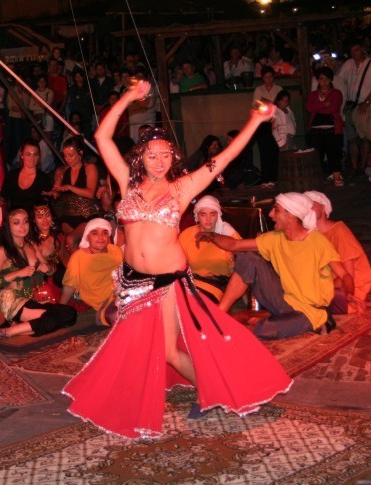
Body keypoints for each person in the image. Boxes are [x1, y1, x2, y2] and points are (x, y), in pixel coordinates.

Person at [63, 80, 292, 439]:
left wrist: (255, 121)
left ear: (173, 157)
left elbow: (227, 156)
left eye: (165, 155)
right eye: (152, 155)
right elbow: (102, 136)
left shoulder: (182, 187)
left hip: (167, 281)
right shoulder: (127, 183)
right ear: (141, 157)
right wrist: (127, 97)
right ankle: (154, 394)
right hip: (133, 280)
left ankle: (214, 390)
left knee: (168, 350)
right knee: (136, 347)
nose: (159, 161)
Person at [206, 193, 356, 340]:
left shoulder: (317, 242)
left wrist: (349, 293)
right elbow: (235, 245)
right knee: (248, 258)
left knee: (265, 329)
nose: (271, 214)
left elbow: (344, 275)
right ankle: (219, 315)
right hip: (284, 300)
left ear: (290, 214)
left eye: (276, 210)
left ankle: (317, 321)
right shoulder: (275, 238)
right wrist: (211, 235)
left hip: (310, 311)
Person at [0, 208, 77, 341]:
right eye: (16, 222)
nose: (22, 226)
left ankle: (10, 330)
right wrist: (17, 273)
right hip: (9, 299)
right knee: (54, 317)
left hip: (29, 299)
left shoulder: (31, 244)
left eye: (25, 221)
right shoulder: (3, 251)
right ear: (8, 226)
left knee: (70, 314)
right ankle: (7, 331)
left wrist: (47, 268)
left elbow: (49, 269)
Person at [304, 191, 371, 314]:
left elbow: (348, 275)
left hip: (348, 286)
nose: (308, 208)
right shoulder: (310, 234)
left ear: (324, 207)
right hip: (327, 283)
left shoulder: (339, 231)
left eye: (312, 204)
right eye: (305, 205)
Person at [178, 196, 241, 303]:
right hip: (191, 282)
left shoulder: (227, 234)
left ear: (218, 215)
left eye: (212, 214)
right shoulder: (186, 235)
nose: (208, 219)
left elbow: (244, 258)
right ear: (197, 215)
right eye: (203, 214)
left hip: (218, 285)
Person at [60, 218, 123, 324]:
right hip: (102, 302)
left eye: (105, 232)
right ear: (87, 237)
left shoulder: (116, 250)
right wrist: (60, 307)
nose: (101, 237)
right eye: (95, 233)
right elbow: (69, 285)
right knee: (123, 316)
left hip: (122, 294)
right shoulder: (78, 257)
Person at [336, 43, 371, 176]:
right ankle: (355, 167)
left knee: (365, 138)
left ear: (362, 50)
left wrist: (366, 102)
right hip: (351, 105)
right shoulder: (349, 64)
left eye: (356, 50)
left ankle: (362, 166)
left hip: (366, 105)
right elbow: (338, 79)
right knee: (352, 138)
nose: (354, 53)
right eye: (351, 50)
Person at [47, 136, 99, 249]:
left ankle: (80, 266)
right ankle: (75, 266)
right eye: (65, 156)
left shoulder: (89, 168)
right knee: (62, 245)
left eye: (71, 155)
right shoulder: (64, 171)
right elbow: (58, 192)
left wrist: (69, 187)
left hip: (87, 215)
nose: (67, 159)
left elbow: (90, 193)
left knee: (71, 239)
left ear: (80, 153)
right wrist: (53, 193)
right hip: (68, 215)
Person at [306, 66, 345, 186]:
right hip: (316, 130)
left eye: (326, 79)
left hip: (332, 129)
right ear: (317, 80)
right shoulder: (313, 94)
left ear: (331, 80)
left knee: (334, 154)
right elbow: (309, 107)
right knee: (317, 156)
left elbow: (333, 108)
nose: (324, 82)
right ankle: (317, 179)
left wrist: (318, 106)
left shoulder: (336, 93)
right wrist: (324, 104)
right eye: (321, 79)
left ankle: (337, 177)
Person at [0, 138, 53, 212]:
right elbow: (0, 203)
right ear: (21, 155)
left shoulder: (44, 179)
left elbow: (46, 207)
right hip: (15, 220)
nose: (32, 158)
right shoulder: (12, 176)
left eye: (35, 154)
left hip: (34, 220)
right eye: (28, 154)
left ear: (39, 156)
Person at [253, 66, 282, 187]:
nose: (268, 79)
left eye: (270, 76)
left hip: (276, 120)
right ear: (262, 78)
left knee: (275, 150)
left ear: (273, 77)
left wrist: (267, 102)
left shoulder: (279, 88)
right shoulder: (258, 89)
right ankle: (265, 178)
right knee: (264, 151)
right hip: (263, 123)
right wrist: (270, 103)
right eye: (266, 77)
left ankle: (274, 178)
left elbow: (280, 104)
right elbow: (257, 105)